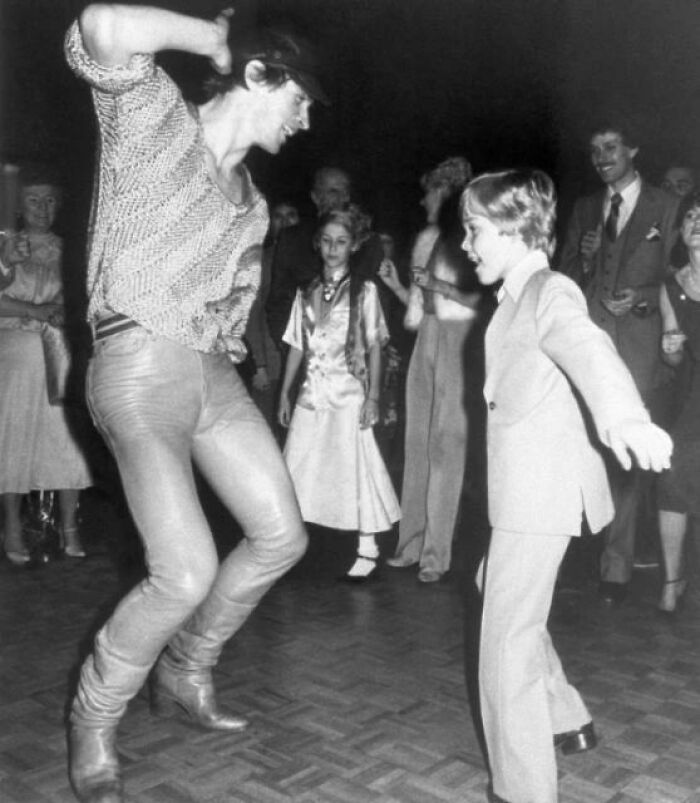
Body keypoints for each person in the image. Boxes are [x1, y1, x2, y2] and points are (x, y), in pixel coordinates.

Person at [64, 6, 327, 801]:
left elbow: (230, 310)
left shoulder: (251, 204)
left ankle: (185, 668)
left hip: (210, 375)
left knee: (282, 534)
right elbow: (104, 21)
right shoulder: (151, 117)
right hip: (136, 365)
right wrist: (216, 39)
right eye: (301, 98)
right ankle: (92, 717)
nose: (306, 119)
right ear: (260, 74)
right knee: (183, 570)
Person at [462, 168, 673, 803]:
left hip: (538, 494)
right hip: (530, 489)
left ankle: (523, 791)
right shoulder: (514, 295)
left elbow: (590, 349)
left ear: (513, 229)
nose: (466, 244)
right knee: (492, 591)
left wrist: (627, 418)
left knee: (505, 641)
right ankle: (567, 716)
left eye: (472, 231)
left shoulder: (549, 291)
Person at [558, 117, 679, 605]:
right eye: (594, 149)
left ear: (633, 149)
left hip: (640, 344)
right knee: (581, 443)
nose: (601, 156)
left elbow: (680, 274)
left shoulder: (667, 207)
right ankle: (572, 548)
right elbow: (561, 276)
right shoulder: (586, 208)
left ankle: (617, 566)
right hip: (589, 345)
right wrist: (585, 261)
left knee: (627, 449)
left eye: (610, 146)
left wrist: (645, 296)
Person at [278, 206, 400, 583]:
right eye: (327, 241)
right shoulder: (307, 290)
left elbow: (376, 345)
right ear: (319, 244)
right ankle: (284, 545)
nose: (333, 249)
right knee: (294, 466)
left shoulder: (364, 291)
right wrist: (285, 392)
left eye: (341, 242)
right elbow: (297, 344)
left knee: (357, 468)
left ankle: (368, 547)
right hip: (312, 393)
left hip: (349, 394)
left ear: (354, 245)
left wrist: (374, 397)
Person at [381, 156, 482, 583]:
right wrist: (398, 286)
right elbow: (422, 309)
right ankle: (411, 543)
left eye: (430, 191)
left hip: (461, 342)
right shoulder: (426, 238)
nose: (424, 200)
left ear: (446, 191)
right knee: (417, 442)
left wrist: (438, 285)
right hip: (428, 339)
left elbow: (481, 301)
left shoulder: (471, 240)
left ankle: (436, 555)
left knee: (446, 447)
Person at [0, 166, 92, 565]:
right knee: (13, 438)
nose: (42, 207)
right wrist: (36, 309)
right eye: (34, 199)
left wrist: (68, 313)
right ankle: (13, 527)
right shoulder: (7, 245)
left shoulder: (72, 250)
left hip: (61, 354)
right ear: (19, 205)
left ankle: (69, 526)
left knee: (66, 440)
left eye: (50, 199)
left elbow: (87, 301)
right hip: (15, 356)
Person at [656, 193, 700, 614]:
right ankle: (672, 582)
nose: (697, 221)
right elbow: (672, 356)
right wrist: (670, 346)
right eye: (690, 215)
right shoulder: (672, 285)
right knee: (672, 481)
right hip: (693, 396)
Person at [245, 200, 300, 427]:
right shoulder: (259, 262)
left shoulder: (311, 259)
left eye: (291, 215)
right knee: (266, 432)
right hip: (272, 363)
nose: (285, 221)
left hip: (304, 367)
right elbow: (251, 314)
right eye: (279, 216)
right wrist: (259, 366)